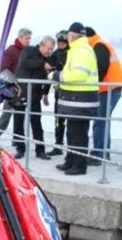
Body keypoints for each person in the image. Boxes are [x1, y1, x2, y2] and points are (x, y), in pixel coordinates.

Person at [50, 22, 99, 176]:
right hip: (75, 100)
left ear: (72, 36)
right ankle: (70, 160)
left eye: (68, 36)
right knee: (72, 133)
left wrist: (56, 76)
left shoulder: (82, 51)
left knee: (78, 135)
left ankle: (79, 166)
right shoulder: (77, 50)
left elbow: (79, 75)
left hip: (81, 100)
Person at [86, 26, 122, 166]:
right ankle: (103, 152)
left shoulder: (98, 46)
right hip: (112, 87)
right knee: (103, 120)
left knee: (100, 121)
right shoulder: (100, 43)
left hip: (109, 88)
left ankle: (98, 155)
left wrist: (91, 85)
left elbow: (100, 68)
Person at [11, 35, 55, 160]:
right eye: (48, 48)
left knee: (36, 123)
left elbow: (48, 78)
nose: (50, 51)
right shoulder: (29, 50)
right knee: (18, 122)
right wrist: (43, 64)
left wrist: (45, 93)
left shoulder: (49, 59)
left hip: (35, 94)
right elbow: (26, 63)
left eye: (52, 49)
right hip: (21, 93)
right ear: (41, 45)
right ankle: (20, 149)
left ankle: (40, 150)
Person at [0, 27, 32, 135]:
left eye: (30, 38)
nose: (29, 41)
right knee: (6, 115)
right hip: (11, 89)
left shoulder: (27, 51)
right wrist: (13, 82)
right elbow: (3, 69)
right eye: (27, 38)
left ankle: (17, 143)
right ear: (20, 37)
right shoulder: (11, 50)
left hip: (22, 89)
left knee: (19, 117)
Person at [47, 30, 69, 156]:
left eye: (62, 44)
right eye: (58, 44)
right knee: (58, 120)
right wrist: (45, 93)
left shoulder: (72, 54)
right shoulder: (56, 54)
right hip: (58, 92)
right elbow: (48, 69)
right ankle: (58, 145)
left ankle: (72, 149)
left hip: (71, 93)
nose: (60, 46)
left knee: (71, 122)